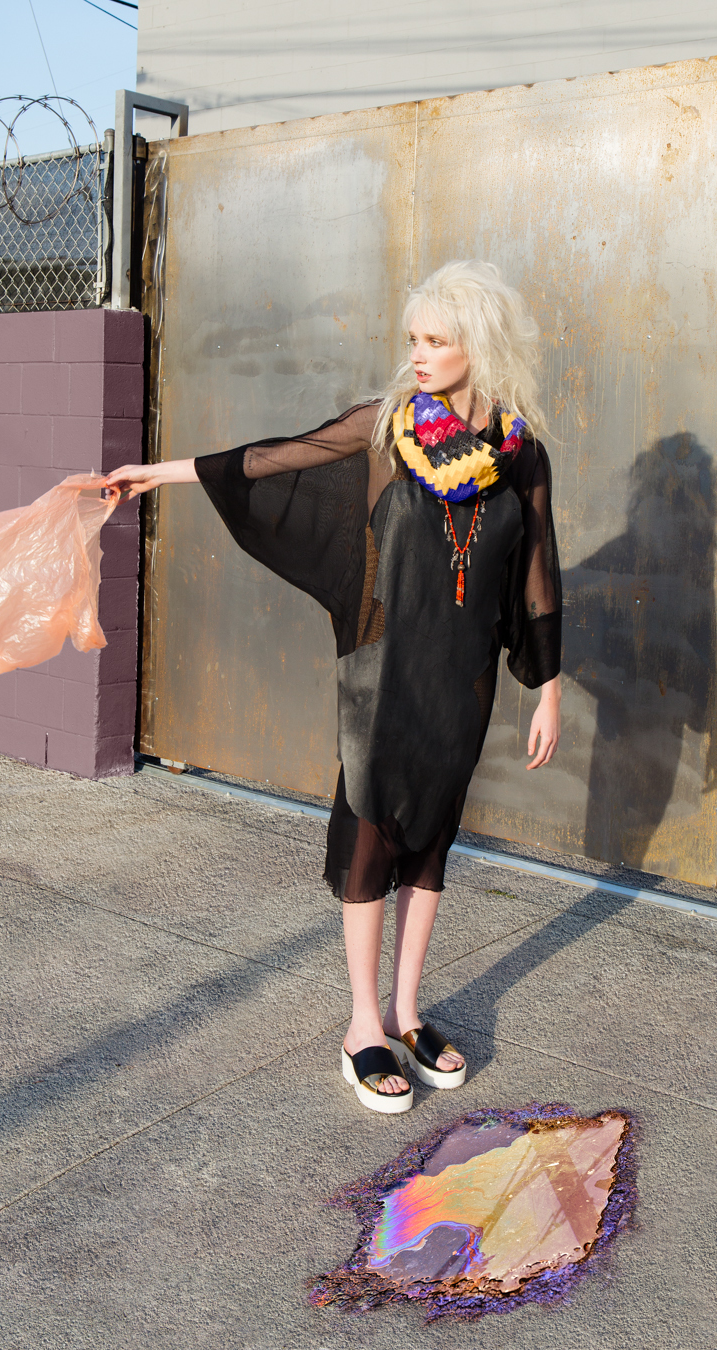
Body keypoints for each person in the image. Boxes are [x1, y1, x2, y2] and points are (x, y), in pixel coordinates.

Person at [107, 260, 562, 1115]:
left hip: (461, 680)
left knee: (432, 843)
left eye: (436, 340)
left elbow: (538, 566)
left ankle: (408, 1013)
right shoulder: (388, 427)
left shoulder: (520, 452)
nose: (418, 353)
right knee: (372, 836)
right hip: (381, 671)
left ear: (479, 345)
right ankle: (362, 1027)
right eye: (414, 338)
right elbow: (270, 458)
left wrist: (548, 687)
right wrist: (156, 474)